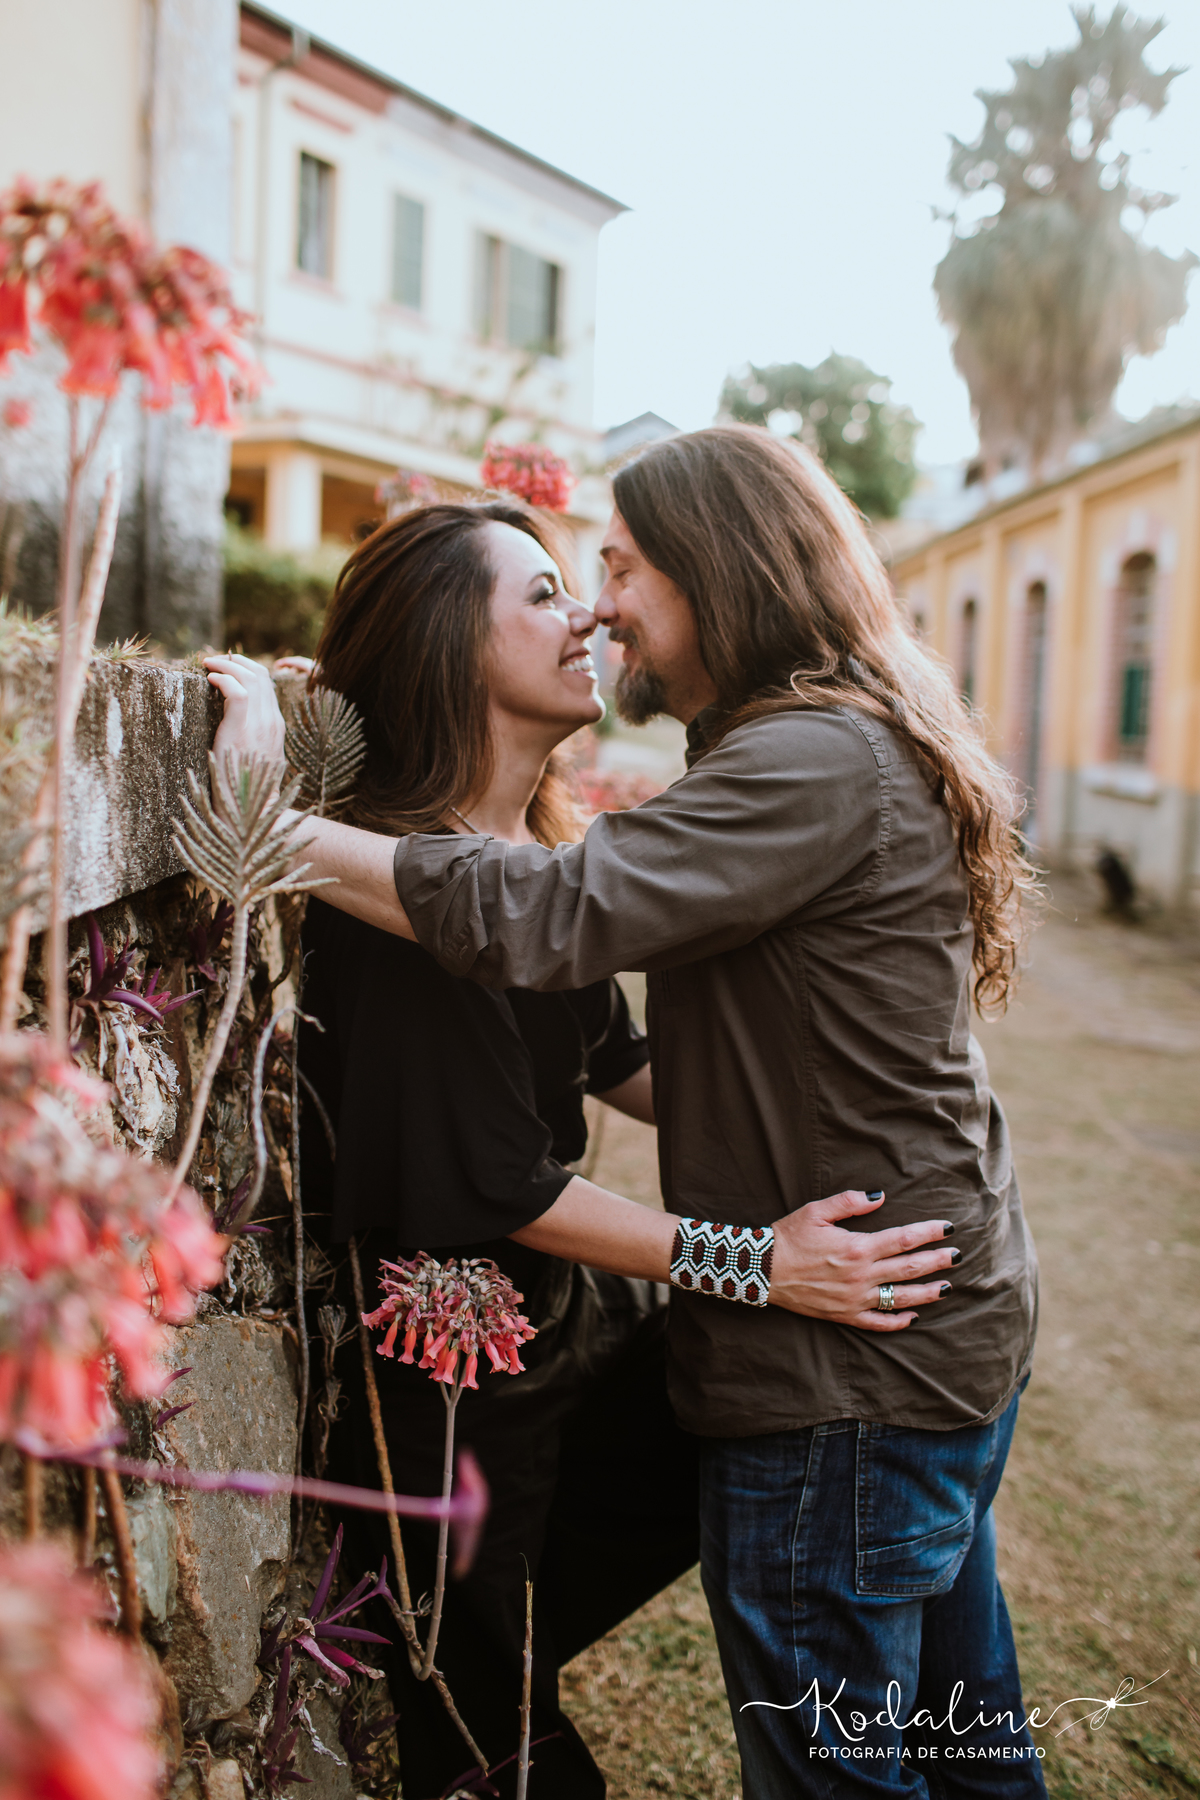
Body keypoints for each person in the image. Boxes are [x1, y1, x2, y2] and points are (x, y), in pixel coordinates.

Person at [203, 449, 974, 1800]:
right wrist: (759, 1260)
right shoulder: (401, 905)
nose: (593, 617)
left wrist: (840, 1071)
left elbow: (627, 1064)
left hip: (574, 1348)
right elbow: (507, 1183)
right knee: (491, 1731)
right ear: (453, 642)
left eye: (602, 581)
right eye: (552, 591)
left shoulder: (538, 866)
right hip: (458, 1399)